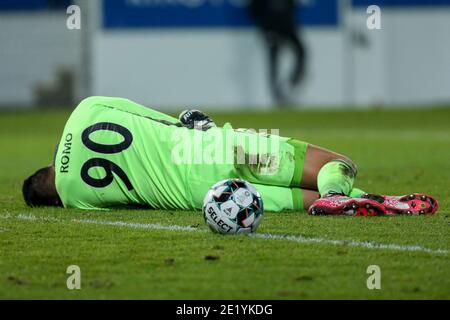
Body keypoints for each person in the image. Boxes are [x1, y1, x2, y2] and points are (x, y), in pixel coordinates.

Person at [22, 96, 438, 216]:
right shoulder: (86, 110)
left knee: (297, 202)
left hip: (199, 194)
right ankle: (344, 191)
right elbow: (157, 119)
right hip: (215, 147)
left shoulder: (75, 196)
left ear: (52, 197)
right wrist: (192, 123)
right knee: (337, 164)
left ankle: (360, 202)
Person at [248, 0, 306, 106]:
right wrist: (265, 24)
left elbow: (292, 4)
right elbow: (254, 8)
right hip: (271, 25)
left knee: (301, 52)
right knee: (274, 61)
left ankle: (292, 82)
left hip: (287, 24)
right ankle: (277, 95)